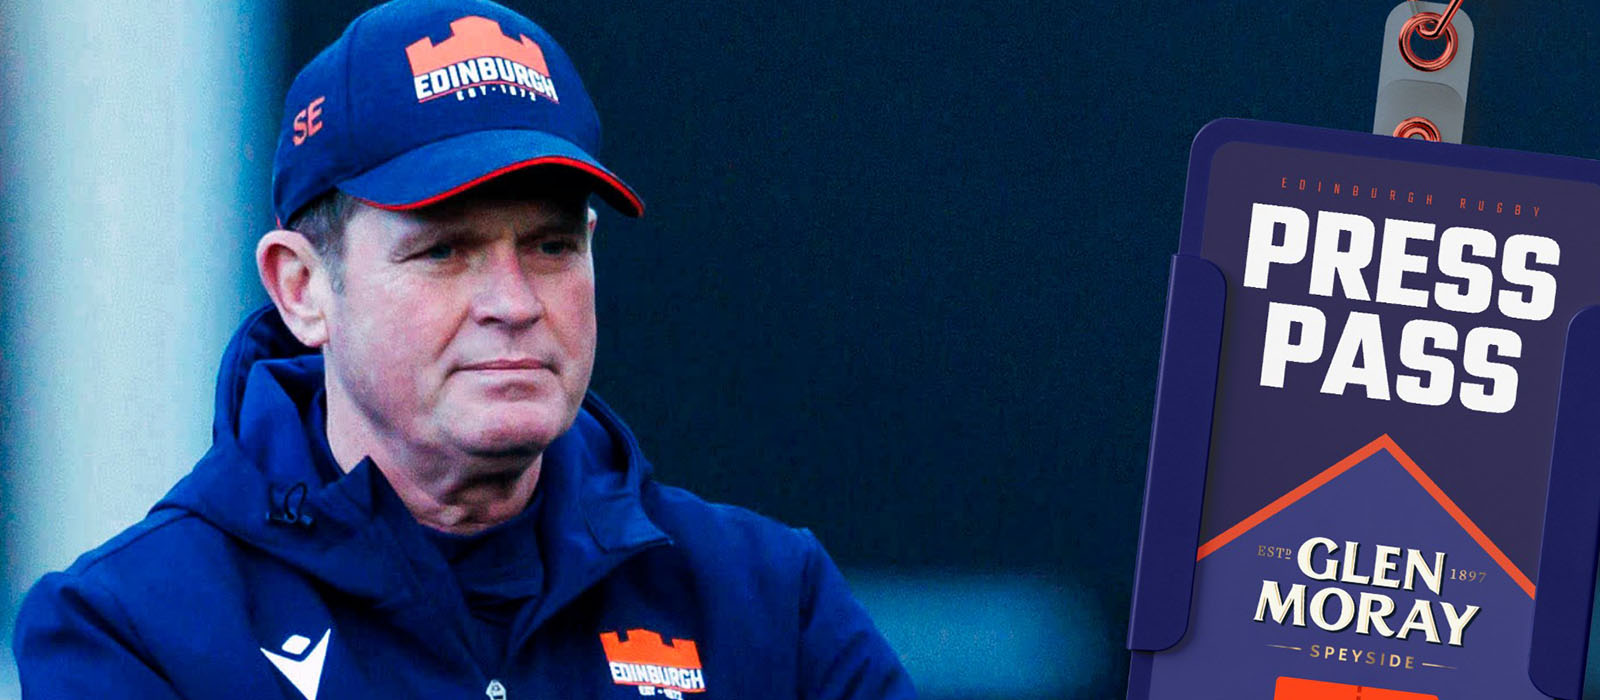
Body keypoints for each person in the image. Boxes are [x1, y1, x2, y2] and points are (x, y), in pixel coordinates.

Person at [11, 0, 916, 697]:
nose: (514, 304)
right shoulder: (135, 628)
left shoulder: (764, 603)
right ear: (303, 288)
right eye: (444, 252)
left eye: (551, 246)